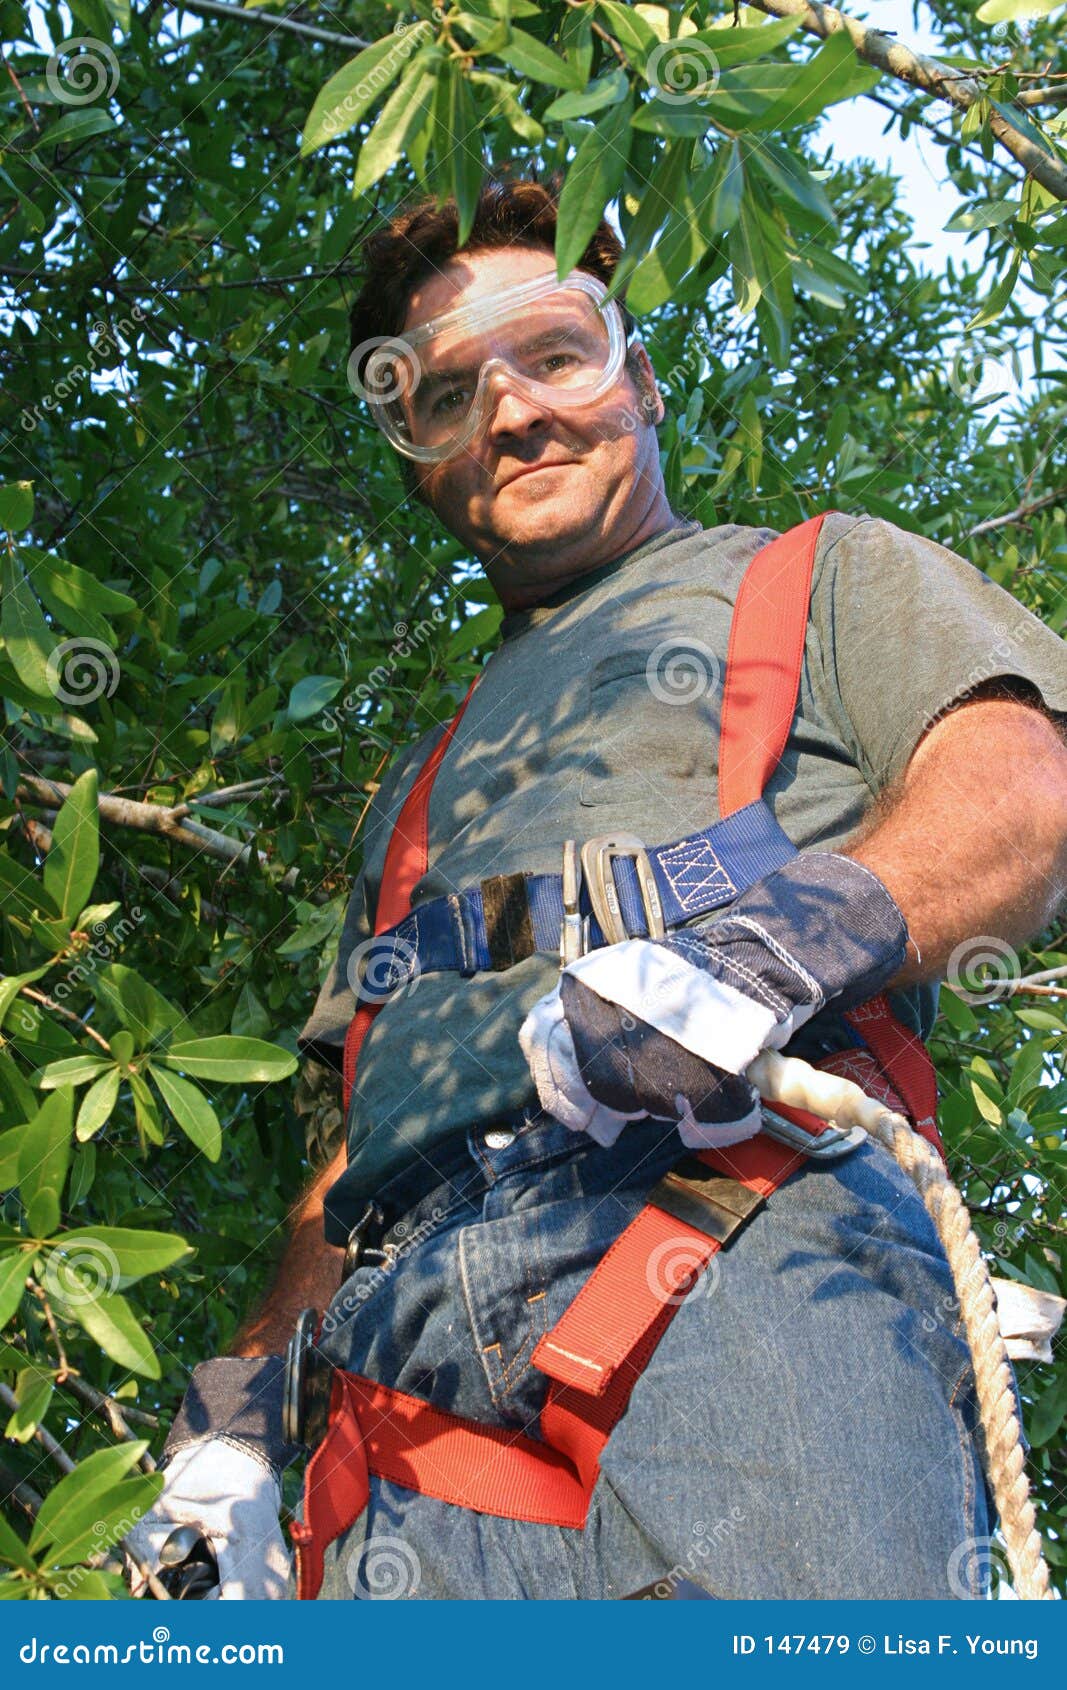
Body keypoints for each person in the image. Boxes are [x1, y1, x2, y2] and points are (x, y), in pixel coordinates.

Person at [127, 177, 1067, 1602]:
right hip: (404, 1381)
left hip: (740, 1230)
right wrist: (232, 1428)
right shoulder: (418, 790)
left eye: (556, 354)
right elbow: (351, 1155)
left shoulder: (816, 578)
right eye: (446, 397)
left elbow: (1015, 792)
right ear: (419, 462)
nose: (510, 413)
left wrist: (753, 962)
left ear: (642, 381)